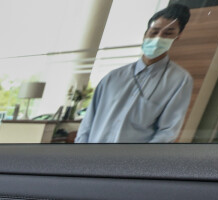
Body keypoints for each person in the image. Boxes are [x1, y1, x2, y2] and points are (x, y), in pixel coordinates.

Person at [76, 4, 193, 143]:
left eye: (168, 33)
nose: (158, 38)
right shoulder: (113, 77)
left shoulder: (179, 80)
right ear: (145, 34)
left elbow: (167, 132)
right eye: (154, 32)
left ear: (177, 37)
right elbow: (87, 123)